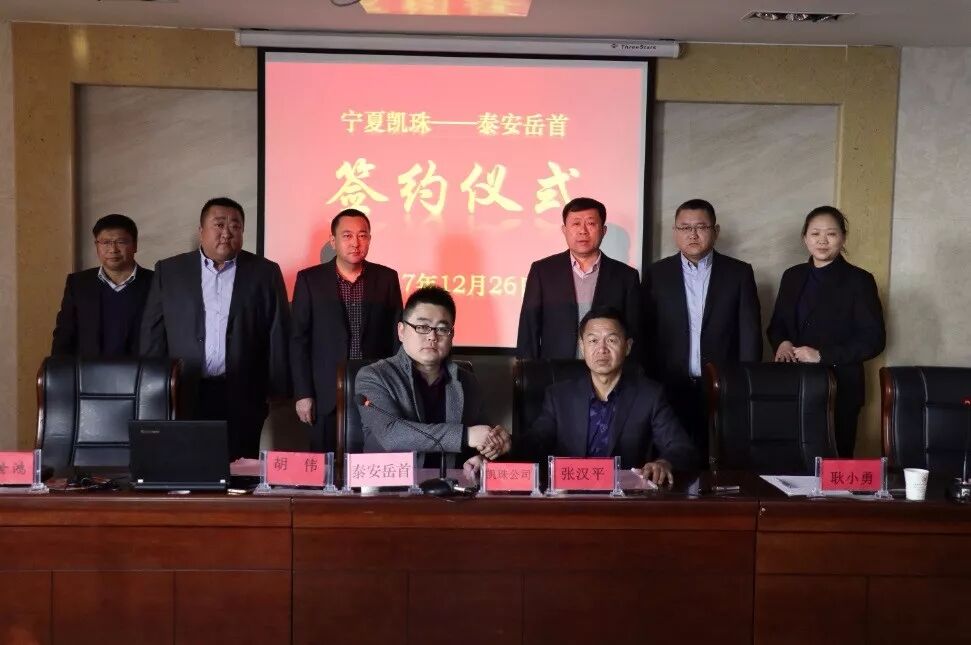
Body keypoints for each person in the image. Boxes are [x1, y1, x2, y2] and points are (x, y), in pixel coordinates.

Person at [140, 197, 290, 459]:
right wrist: (153, 385)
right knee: (189, 464)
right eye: (219, 225)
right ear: (201, 231)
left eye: (235, 226)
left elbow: (278, 330)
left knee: (241, 467)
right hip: (186, 388)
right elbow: (154, 333)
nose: (227, 233)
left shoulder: (265, 272)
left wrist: (278, 386)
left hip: (245, 389)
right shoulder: (170, 271)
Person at [643, 199, 762, 466]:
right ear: (675, 232)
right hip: (669, 384)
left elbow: (750, 333)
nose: (693, 234)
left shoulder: (739, 273)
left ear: (715, 231)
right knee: (674, 459)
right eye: (685, 228)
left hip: (723, 384)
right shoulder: (657, 273)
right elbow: (647, 332)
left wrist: (746, 382)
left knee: (722, 459)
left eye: (701, 227)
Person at [520, 306, 696, 485]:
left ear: (627, 347)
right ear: (582, 347)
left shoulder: (650, 395)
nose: (602, 349)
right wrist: (509, 444)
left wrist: (664, 463)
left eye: (611, 340)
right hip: (571, 495)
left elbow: (681, 447)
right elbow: (535, 443)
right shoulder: (559, 396)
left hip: (626, 496)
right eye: (593, 340)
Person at [356, 285, 511, 479]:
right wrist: (465, 435)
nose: (432, 336)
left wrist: (485, 454)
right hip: (389, 487)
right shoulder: (374, 376)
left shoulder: (466, 380)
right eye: (422, 327)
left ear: (451, 335)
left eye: (442, 329)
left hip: (451, 488)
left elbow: (483, 437)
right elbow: (392, 434)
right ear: (401, 331)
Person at [767, 205, 885, 457]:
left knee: (835, 462)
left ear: (843, 238)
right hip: (794, 383)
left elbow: (873, 340)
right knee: (790, 460)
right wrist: (782, 342)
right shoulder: (792, 276)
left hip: (840, 388)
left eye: (831, 234)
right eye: (815, 233)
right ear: (804, 238)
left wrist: (822, 355)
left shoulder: (859, 280)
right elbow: (778, 324)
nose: (822, 240)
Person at [290, 208, 402, 452]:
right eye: (347, 236)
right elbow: (298, 341)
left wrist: (396, 390)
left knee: (372, 462)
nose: (355, 243)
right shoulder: (310, 280)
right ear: (333, 241)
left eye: (362, 235)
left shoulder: (386, 279)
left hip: (375, 392)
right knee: (326, 465)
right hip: (325, 394)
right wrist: (303, 393)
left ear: (370, 239)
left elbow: (397, 340)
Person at [517, 197, 640, 359]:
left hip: (607, 367)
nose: (583, 231)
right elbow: (529, 328)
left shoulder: (626, 276)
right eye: (576, 224)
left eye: (591, 223)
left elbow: (634, 331)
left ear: (603, 231)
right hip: (556, 367)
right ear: (564, 230)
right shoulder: (542, 271)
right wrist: (527, 370)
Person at [51, 214, 153, 357]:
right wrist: (59, 369)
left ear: (135, 245)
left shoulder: (156, 282)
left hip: (141, 369)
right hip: (89, 369)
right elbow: (64, 336)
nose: (113, 249)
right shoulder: (79, 284)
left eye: (121, 242)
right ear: (97, 246)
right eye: (105, 243)